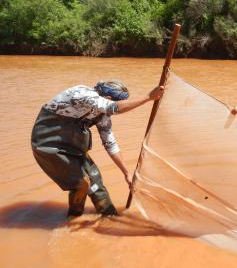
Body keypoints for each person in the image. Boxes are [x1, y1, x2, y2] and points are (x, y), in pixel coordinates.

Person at [31, 80, 164, 217]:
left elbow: (110, 144)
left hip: (72, 147)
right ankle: (73, 218)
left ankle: (110, 217)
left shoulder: (102, 115)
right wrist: (149, 97)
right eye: (116, 101)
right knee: (82, 183)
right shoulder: (82, 93)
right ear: (108, 98)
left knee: (95, 181)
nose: (110, 114)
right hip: (47, 145)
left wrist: (126, 173)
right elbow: (113, 108)